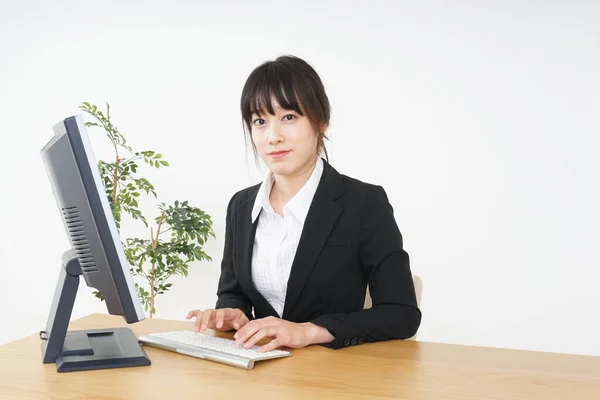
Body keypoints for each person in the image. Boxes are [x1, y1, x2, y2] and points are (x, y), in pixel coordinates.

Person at [186, 55, 421, 352]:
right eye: (260, 121)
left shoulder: (364, 203)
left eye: (289, 117)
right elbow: (233, 292)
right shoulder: (241, 206)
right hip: (258, 369)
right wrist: (234, 312)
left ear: (320, 122)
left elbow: (401, 313)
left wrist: (309, 332)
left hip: (332, 375)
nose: (273, 137)